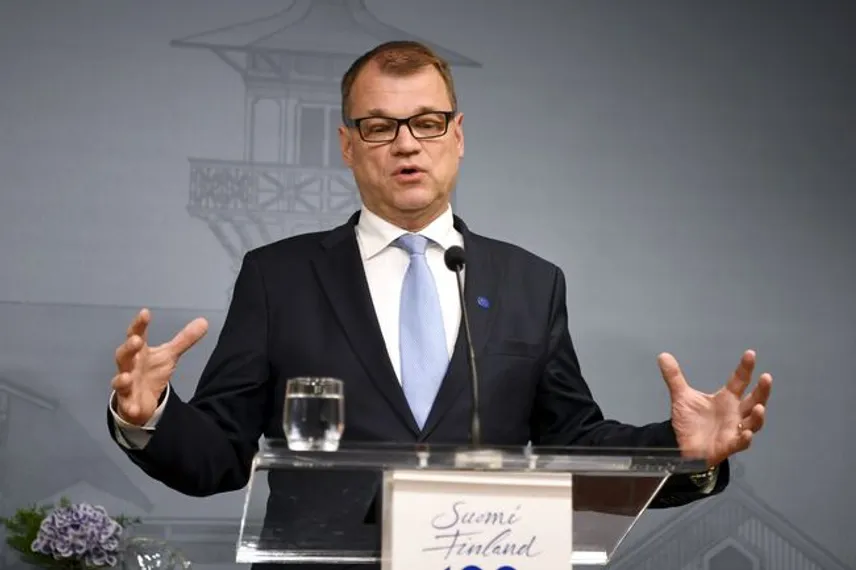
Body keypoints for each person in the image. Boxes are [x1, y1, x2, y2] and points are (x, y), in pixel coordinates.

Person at [107, 39, 771, 548]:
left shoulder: (530, 283)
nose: (406, 145)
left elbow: (573, 442)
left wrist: (680, 451)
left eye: (427, 122)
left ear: (458, 135)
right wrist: (149, 415)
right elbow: (220, 455)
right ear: (347, 145)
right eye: (379, 126)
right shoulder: (277, 277)